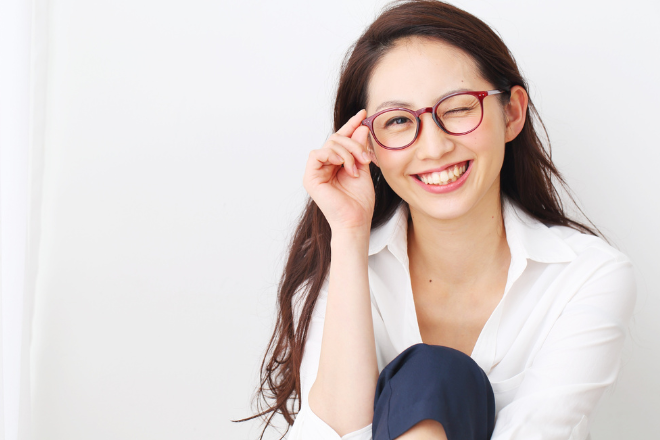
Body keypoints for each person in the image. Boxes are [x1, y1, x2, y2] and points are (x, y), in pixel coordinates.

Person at [234, 1, 637, 439]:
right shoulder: (344, 269)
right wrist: (348, 235)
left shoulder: (586, 276)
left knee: (433, 375)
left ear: (512, 113)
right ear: (367, 145)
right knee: (431, 374)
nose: (433, 148)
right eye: (398, 120)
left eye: (459, 108)